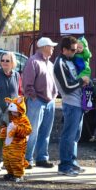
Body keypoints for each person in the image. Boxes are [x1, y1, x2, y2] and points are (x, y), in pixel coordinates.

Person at [53, 36, 90, 176]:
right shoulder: (60, 63)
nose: (76, 52)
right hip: (71, 103)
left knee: (75, 136)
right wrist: (82, 81)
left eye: (76, 49)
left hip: (78, 103)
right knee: (68, 135)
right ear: (64, 50)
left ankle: (72, 163)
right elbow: (67, 86)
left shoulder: (70, 61)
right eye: (73, 50)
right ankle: (64, 166)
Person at [22, 37, 58, 169]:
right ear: (44, 47)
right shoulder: (33, 61)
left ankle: (42, 158)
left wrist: (53, 97)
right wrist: (34, 98)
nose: (53, 48)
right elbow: (27, 83)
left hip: (49, 102)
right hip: (37, 101)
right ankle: (27, 159)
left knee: (45, 132)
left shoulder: (50, 63)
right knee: (33, 131)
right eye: (51, 46)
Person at [0, 51, 23, 169]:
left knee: (11, 137)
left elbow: (19, 93)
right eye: (2, 60)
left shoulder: (17, 75)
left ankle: (8, 161)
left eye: (7, 61)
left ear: (12, 63)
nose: (4, 62)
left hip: (12, 113)